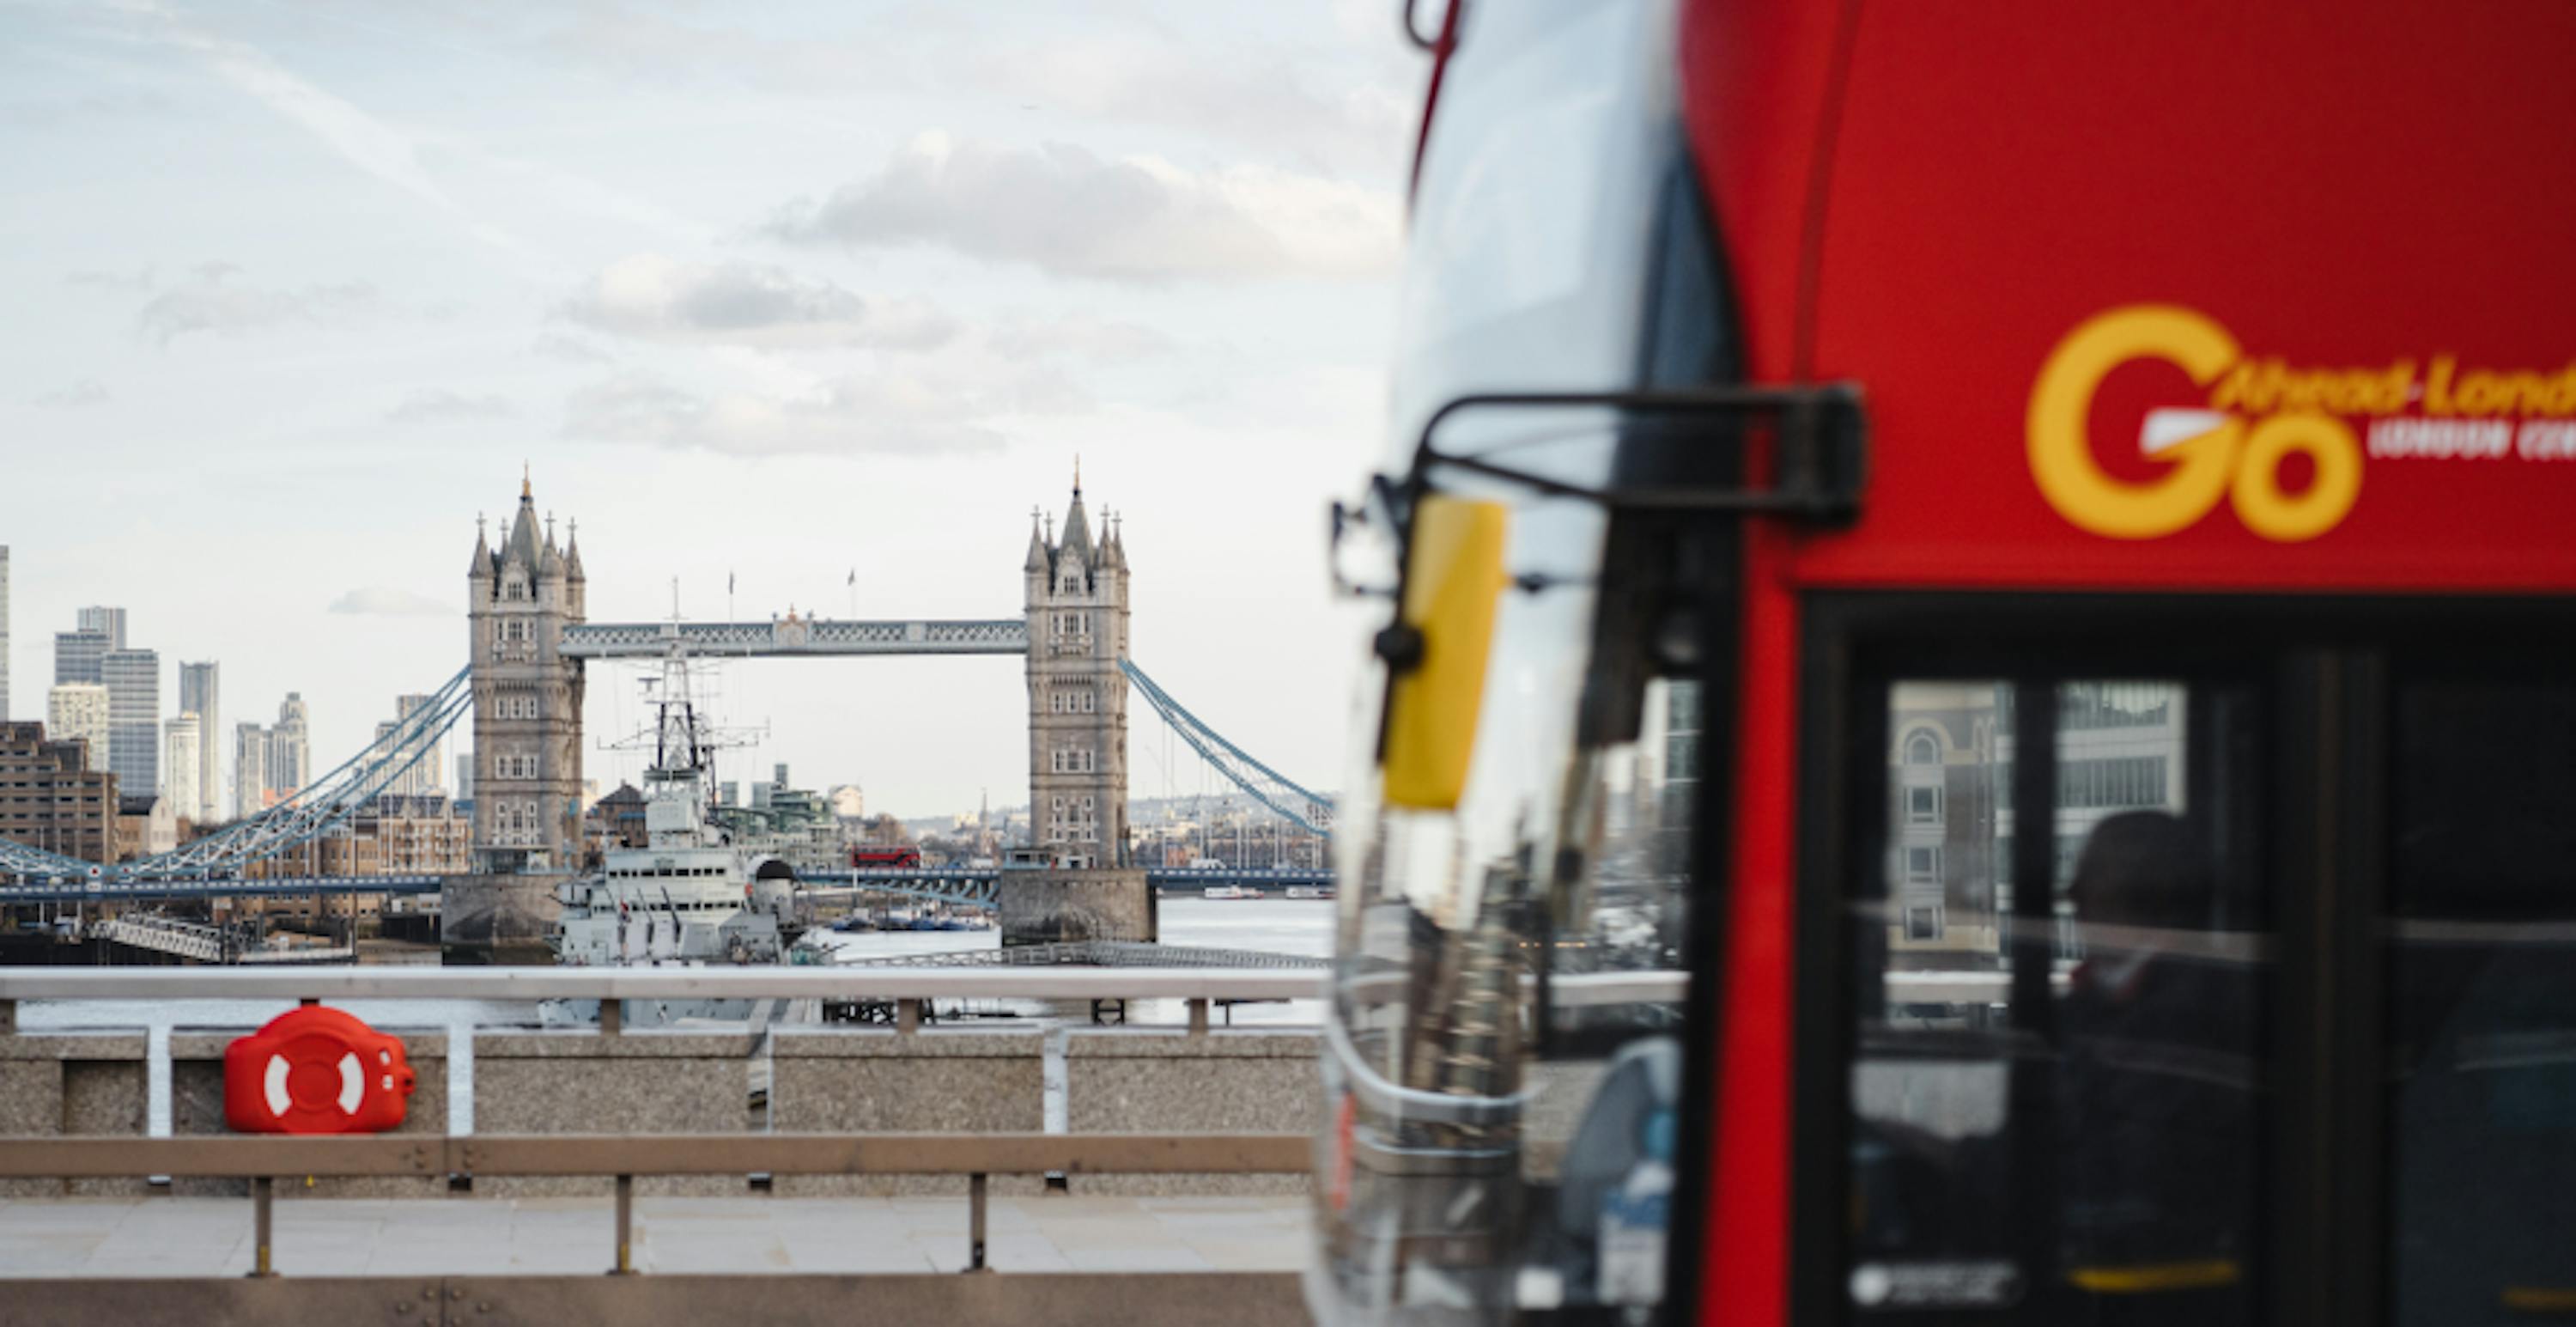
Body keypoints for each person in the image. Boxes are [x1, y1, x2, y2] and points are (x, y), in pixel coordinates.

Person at [2054, 811, 2259, 1326]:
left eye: (2092, 877)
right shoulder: (2095, 1002)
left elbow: (2126, 1171)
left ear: (2150, 893)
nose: (2071, 896)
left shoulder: (2198, 1014)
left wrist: (1966, 1159)